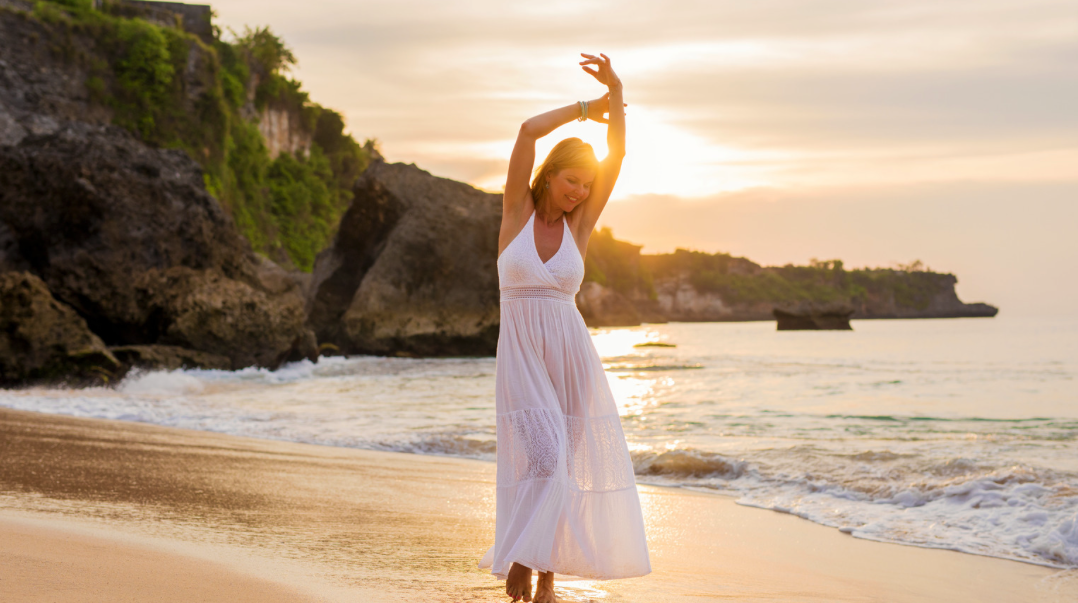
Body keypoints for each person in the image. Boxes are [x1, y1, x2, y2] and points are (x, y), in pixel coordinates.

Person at [478, 53, 651, 603]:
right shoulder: (515, 215)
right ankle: (523, 559)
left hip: (571, 350)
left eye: (586, 185)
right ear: (549, 175)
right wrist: (587, 107)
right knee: (544, 455)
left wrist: (618, 94)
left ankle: (544, 572)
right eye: (572, 181)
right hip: (524, 353)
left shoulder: (581, 224)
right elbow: (528, 130)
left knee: (567, 460)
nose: (579, 192)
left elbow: (618, 153)